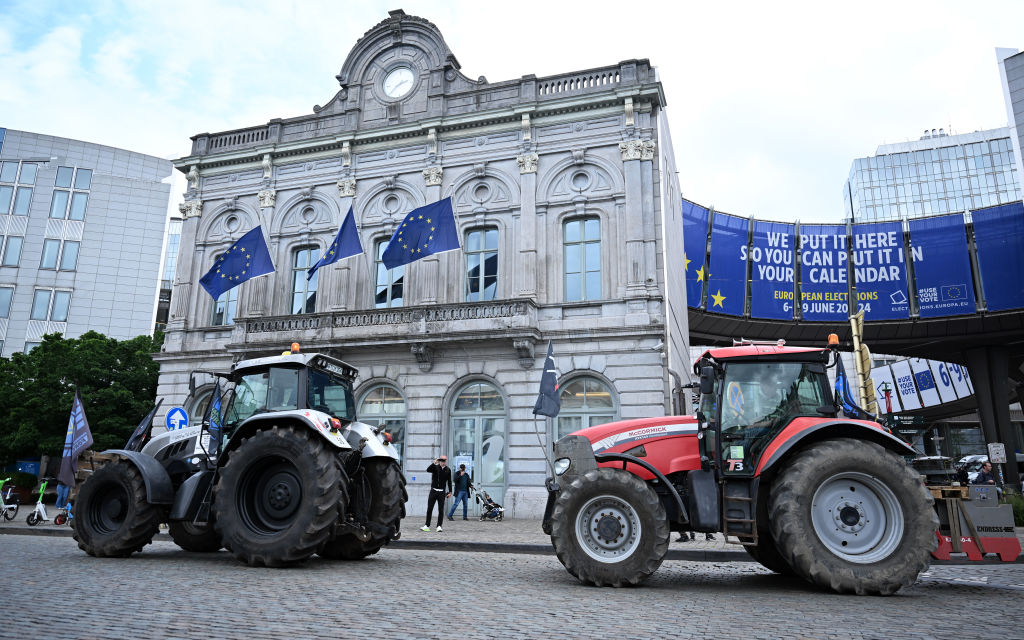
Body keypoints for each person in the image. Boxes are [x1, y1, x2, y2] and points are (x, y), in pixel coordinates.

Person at [421, 456, 452, 532]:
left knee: (441, 510)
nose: (443, 462)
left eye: (444, 461)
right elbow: (428, 470)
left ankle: (439, 526)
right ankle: (427, 525)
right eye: (441, 460)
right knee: (429, 508)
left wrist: (450, 492)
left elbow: (449, 481)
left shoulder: (448, 470)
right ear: (439, 460)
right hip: (433, 491)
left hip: (441, 492)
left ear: (446, 461)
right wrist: (434, 463)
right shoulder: (435, 467)